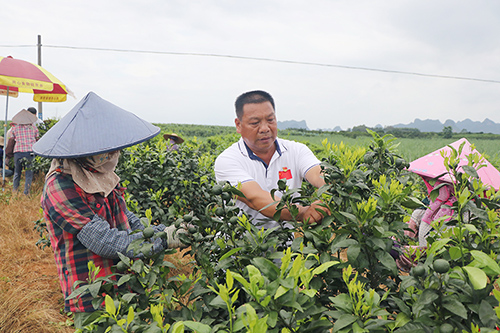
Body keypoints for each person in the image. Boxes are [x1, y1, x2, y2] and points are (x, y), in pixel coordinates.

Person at [33, 92, 189, 328]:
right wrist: (163, 240)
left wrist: (160, 231)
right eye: (107, 149)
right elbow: (104, 241)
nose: (114, 154)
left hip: (125, 281)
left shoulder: (101, 174)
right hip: (92, 293)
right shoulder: (60, 186)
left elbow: (125, 216)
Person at [214, 90, 329, 230]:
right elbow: (255, 199)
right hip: (242, 247)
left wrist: (336, 186)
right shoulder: (228, 160)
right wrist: (302, 212)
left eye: (270, 120)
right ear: (238, 125)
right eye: (255, 123)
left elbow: (318, 173)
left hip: (285, 248)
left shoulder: (296, 151)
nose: (265, 128)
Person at [11, 109, 39, 195]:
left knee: (17, 172)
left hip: (18, 152)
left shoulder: (14, 128)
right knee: (29, 173)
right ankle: (26, 192)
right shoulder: (34, 128)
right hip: (30, 152)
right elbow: (37, 139)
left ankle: (15, 191)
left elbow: (12, 139)